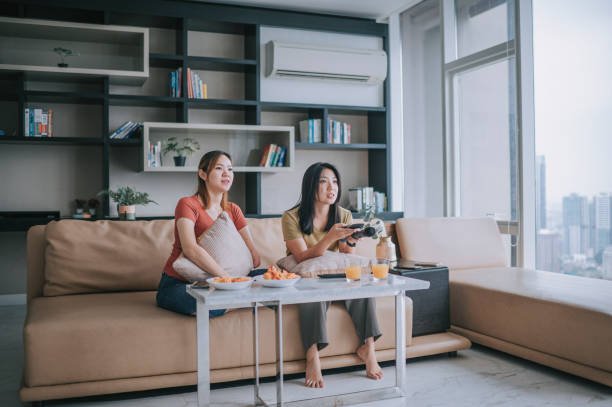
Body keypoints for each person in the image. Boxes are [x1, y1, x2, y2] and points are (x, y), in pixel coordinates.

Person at [281, 162, 383, 388]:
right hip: (309, 278)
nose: (332, 187)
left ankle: (369, 349)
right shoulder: (291, 217)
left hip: (336, 276)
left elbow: (346, 255)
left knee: (362, 286)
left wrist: (351, 241)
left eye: (335, 181)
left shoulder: (343, 214)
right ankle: (312, 355)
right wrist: (329, 238)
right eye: (324, 181)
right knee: (312, 293)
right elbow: (301, 257)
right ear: (311, 186)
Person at [156, 150, 261, 316]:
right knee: (209, 304)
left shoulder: (233, 210)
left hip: (224, 282)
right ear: (203, 174)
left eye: (230, 169)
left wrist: (237, 278)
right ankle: (246, 299)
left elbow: (254, 257)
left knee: (273, 278)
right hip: (180, 284)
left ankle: (238, 298)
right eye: (219, 168)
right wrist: (227, 279)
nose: (226, 173)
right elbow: (190, 249)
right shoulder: (187, 204)